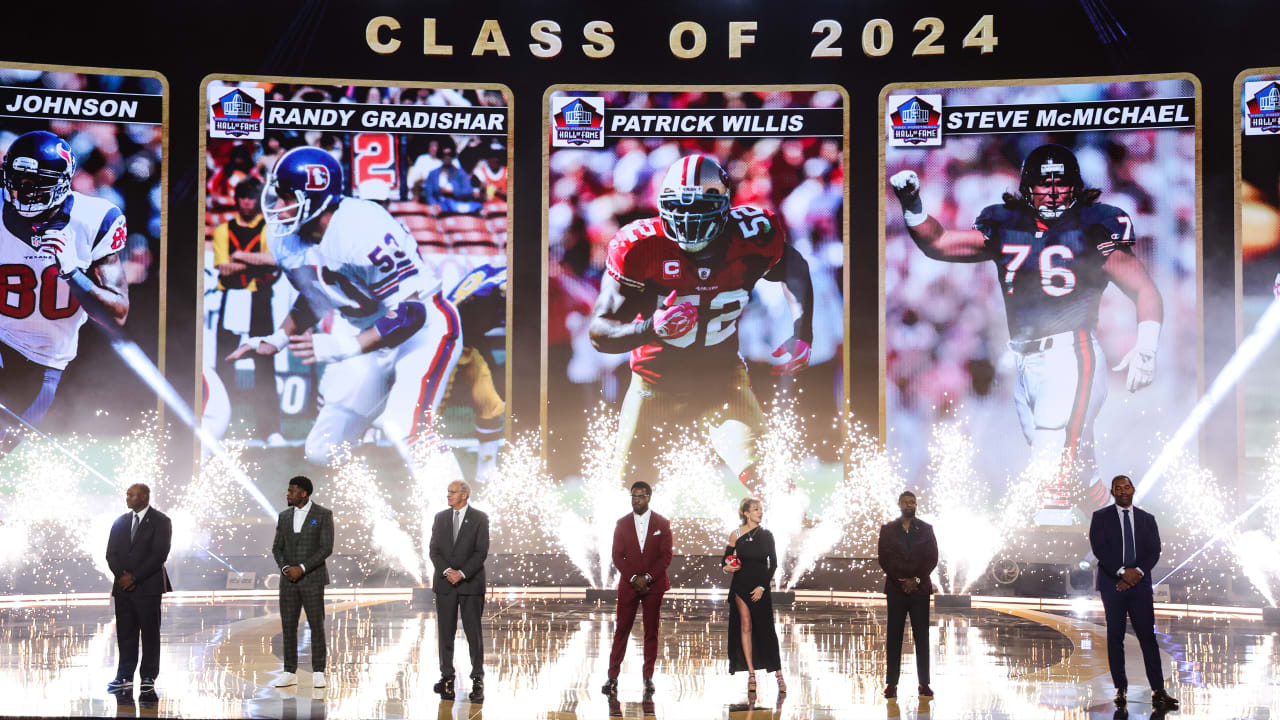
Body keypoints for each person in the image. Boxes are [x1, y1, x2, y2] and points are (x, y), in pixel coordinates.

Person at [889, 144, 1164, 522]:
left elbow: (1143, 288)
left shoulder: (1095, 223)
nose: (1052, 192)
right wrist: (911, 202)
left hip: (1073, 352)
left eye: (1060, 184)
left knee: (1050, 463)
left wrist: (1146, 347)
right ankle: (1123, 532)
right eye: (1044, 184)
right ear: (1026, 187)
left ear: (1075, 187)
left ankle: (1047, 555)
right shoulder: (1005, 224)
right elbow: (937, 243)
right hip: (1024, 359)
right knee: (1077, 471)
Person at [228, 145, 463, 480]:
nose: (277, 207)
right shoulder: (288, 239)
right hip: (370, 338)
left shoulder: (361, 225)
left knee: (405, 425)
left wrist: (344, 347)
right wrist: (277, 339)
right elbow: (317, 296)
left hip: (422, 330)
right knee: (323, 448)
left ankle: (456, 519)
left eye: (286, 197)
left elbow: (411, 313)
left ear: (315, 197)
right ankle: (377, 503)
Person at [589, 155, 815, 496]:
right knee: (629, 492)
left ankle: (791, 539)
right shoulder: (640, 247)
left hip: (721, 381)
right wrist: (651, 328)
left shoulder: (752, 234)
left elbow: (794, 267)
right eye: (677, 206)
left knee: (772, 482)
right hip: (654, 384)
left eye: (699, 206)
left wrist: (803, 329)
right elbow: (600, 332)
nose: (687, 217)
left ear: (724, 205)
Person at [0, 130, 130, 455]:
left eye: (37, 182)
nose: (25, 191)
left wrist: (73, 272)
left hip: (44, 358)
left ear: (62, 181)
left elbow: (117, 316)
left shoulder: (95, 220)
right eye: (19, 180)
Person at [1088, 474, 1179, 710]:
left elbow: (1154, 550)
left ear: (1133, 489)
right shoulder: (1100, 517)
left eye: (1126, 487)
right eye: (1118, 488)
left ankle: (1158, 690)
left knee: (1147, 637)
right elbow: (1100, 549)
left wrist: (1135, 573)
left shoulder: (1147, 519)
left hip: (1139, 586)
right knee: (1115, 637)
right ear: (1112, 493)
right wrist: (1121, 573)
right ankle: (1120, 689)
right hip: (1112, 584)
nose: (1123, 491)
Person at [211, 177, 282, 444]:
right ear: (237, 200)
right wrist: (255, 263)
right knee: (224, 364)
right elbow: (223, 268)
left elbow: (273, 260)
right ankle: (220, 428)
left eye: (252, 197)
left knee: (265, 364)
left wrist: (239, 256)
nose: (248, 202)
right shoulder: (223, 230)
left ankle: (271, 429)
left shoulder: (268, 229)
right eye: (243, 197)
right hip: (232, 300)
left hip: (259, 301)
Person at [602, 481, 673, 697]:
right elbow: (617, 555)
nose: (636, 500)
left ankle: (648, 678)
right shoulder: (622, 523)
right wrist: (634, 577)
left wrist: (648, 577)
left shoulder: (662, 522)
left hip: (654, 585)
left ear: (649, 497)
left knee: (651, 631)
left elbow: (666, 556)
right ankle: (612, 676)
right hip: (629, 585)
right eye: (633, 496)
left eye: (641, 496)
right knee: (621, 629)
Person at [105, 483, 172, 694]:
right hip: (123, 589)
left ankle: (148, 677)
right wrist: (122, 577)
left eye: (131, 495)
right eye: (127, 494)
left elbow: (159, 555)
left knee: (150, 634)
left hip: (148, 587)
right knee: (125, 633)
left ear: (144, 497)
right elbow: (111, 553)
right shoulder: (120, 521)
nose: (127, 498)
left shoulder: (161, 521)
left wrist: (134, 577)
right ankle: (124, 675)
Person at [428, 480, 490, 702]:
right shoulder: (440, 517)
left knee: (473, 634)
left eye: (453, 492)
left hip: (470, 585)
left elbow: (481, 552)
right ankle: (447, 678)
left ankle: (477, 679)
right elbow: (433, 550)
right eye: (448, 492)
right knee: (445, 633)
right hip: (445, 585)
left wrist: (462, 573)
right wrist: (447, 571)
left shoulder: (480, 518)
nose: (448, 495)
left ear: (465, 495)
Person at [271, 475, 335, 689]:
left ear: (304, 493)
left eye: (292, 491)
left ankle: (318, 671)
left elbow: (326, 548)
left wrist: (303, 568)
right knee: (288, 626)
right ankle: (289, 671)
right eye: (288, 491)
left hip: (312, 579)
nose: (288, 494)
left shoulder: (323, 514)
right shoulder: (284, 516)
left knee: (316, 625)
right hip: (288, 581)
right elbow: (276, 548)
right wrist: (286, 568)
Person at [876, 490, 938, 700]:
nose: (910, 504)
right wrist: (900, 581)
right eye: (906, 501)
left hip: (920, 590)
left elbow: (932, 559)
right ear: (899, 504)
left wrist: (917, 581)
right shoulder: (888, 529)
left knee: (922, 638)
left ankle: (924, 684)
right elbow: (883, 558)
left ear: (916, 505)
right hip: (896, 590)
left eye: (913, 501)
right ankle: (891, 684)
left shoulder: (926, 529)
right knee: (894, 637)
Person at [721, 497, 784, 694]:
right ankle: (751, 674)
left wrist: (763, 587)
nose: (760, 512)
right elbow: (726, 562)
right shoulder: (736, 535)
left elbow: (772, 564)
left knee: (767, 630)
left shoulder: (767, 535)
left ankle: (779, 675)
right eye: (756, 509)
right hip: (741, 585)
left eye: (761, 509)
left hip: (760, 587)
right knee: (745, 625)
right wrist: (728, 568)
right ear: (746, 513)